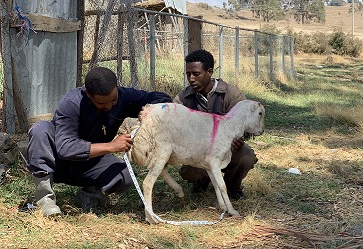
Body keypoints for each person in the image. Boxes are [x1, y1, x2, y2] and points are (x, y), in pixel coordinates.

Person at [26, 67, 172, 216]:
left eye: (113, 100)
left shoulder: (124, 96)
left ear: (116, 87)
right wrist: (111, 146)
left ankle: (88, 196)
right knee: (40, 129)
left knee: (126, 176)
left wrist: (148, 113)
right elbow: (65, 148)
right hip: (57, 163)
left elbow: (162, 98)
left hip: (91, 163)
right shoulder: (71, 103)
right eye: (101, 104)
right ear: (88, 94)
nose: (109, 106)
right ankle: (45, 200)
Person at [174, 49, 258, 200]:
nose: (191, 79)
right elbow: (173, 123)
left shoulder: (230, 93)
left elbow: (247, 119)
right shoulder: (183, 98)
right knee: (191, 170)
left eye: (196, 74)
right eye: (188, 74)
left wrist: (239, 138)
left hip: (228, 149)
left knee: (246, 157)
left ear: (210, 72)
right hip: (199, 151)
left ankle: (232, 188)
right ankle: (201, 184)